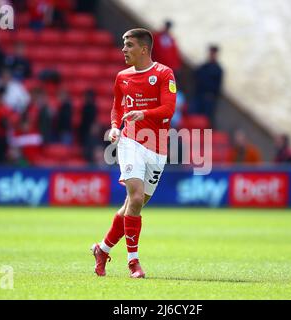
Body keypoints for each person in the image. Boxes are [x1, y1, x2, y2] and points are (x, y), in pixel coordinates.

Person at [91, 28, 177, 278]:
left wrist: (144, 113)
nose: (123, 49)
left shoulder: (164, 73)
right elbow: (116, 107)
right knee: (136, 198)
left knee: (133, 205)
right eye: (123, 44)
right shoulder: (121, 77)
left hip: (158, 146)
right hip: (131, 142)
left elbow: (168, 109)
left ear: (144, 49)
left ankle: (102, 249)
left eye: (128, 45)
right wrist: (116, 128)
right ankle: (133, 263)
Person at [191, 45, 223, 128]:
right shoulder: (203, 67)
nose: (212, 55)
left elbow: (218, 87)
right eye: (211, 53)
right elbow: (195, 76)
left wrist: (212, 96)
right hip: (199, 95)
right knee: (194, 116)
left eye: (213, 53)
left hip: (209, 98)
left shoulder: (218, 70)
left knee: (206, 120)